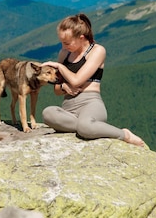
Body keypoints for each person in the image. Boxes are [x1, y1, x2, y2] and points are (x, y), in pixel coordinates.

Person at [41, 13, 147, 147]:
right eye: (62, 42)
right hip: (68, 108)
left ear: (81, 37)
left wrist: (59, 66)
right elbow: (56, 90)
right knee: (48, 113)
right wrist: (63, 87)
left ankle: (124, 134)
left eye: (67, 42)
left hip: (90, 103)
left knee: (85, 126)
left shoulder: (97, 51)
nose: (63, 46)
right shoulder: (64, 53)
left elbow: (76, 81)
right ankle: (87, 127)